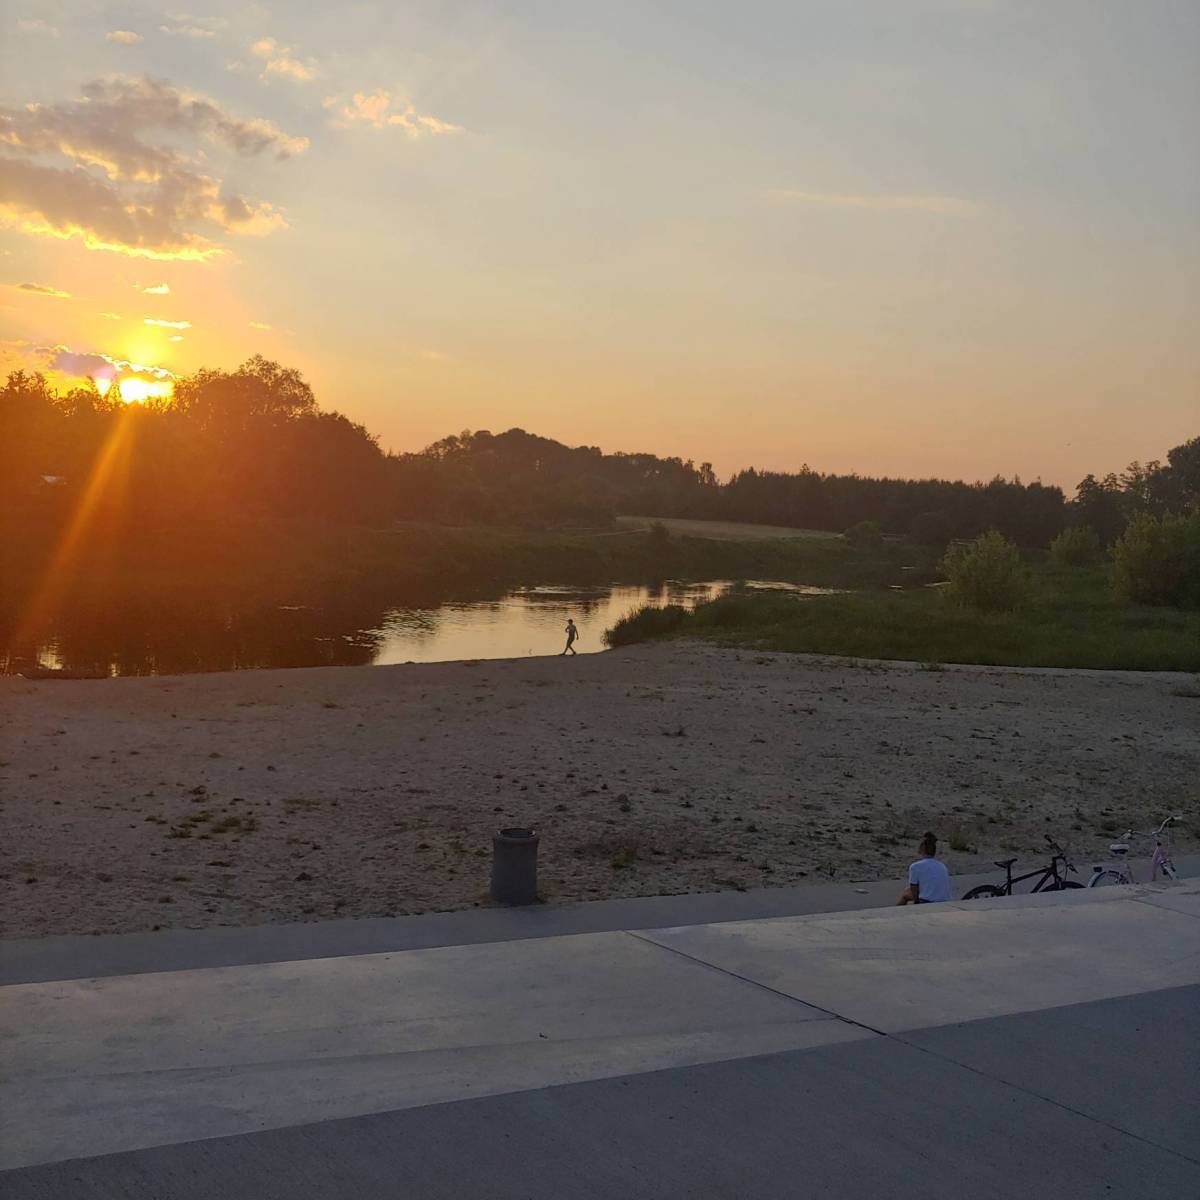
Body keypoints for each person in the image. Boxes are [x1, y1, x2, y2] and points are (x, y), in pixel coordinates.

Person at [897, 831, 953, 904]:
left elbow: (913, 887)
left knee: (905, 894)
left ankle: (896, 910)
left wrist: (916, 902)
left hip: (927, 901)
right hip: (946, 900)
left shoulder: (916, 866)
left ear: (921, 849)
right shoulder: (942, 865)